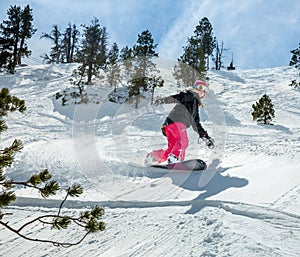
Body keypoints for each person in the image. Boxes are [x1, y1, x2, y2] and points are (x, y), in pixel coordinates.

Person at [145, 80, 215, 165]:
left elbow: (196, 124)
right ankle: (175, 158)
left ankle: (154, 157)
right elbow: (179, 97)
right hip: (177, 122)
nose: (201, 90)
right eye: (199, 87)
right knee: (182, 141)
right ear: (194, 88)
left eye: (204, 89)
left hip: (170, 125)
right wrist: (164, 100)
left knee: (171, 148)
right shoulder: (191, 95)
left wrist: (205, 137)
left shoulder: (195, 107)